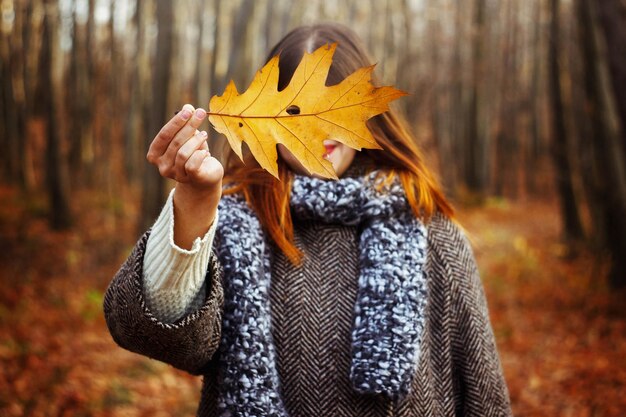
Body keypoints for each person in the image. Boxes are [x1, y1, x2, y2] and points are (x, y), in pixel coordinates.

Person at [103, 23, 512, 417]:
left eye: (330, 113)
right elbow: (149, 333)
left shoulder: (429, 229)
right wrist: (195, 200)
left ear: (365, 116)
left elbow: (485, 395)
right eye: (296, 111)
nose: (317, 129)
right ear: (264, 115)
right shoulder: (231, 221)